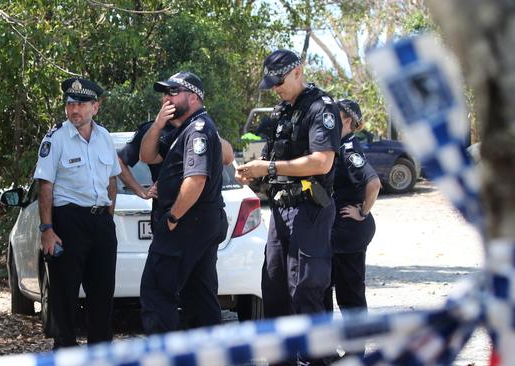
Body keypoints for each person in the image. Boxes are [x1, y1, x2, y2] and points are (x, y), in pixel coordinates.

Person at [236, 50, 341, 365]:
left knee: (305, 289)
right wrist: (252, 174)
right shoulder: (283, 112)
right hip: (280, 211)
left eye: (279, 81)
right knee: (275, 287)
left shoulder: (321, 108)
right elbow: (273, 160)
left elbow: (322, 162)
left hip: (310, 208)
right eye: (271, 83)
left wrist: (266, 167)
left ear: (298, 71)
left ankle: (317, 359)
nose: (276, 88)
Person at [33, 77, 121, 349]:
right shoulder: (55, 139)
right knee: (64, 299)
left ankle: (100, 354)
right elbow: (45, 185)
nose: (74, 110)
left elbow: (112, 180)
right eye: (70, 104)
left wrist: (108, 217)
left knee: (102, 297)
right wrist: (47, 230)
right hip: (68, 222)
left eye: (81, 104)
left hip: (100, 223)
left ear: (96, 106)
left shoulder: (105, 137)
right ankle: (66, 355)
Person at [138, 71, 228, 333]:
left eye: (172, 92)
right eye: (165, 94)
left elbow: (196, 180)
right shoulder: (184, 130)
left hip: (186, 224)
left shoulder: (198, 130)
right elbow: (147, 155)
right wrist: (156, 125)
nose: (166, 98)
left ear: (193, 97)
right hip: (197, 225)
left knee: (156, 293)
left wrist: (173, 217)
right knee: (200, 296)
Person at [328, 99, 381, 317]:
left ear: (347, 121)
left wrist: (363, 211)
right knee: (342, 292)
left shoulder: (349, 151)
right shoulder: (339, 147)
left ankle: (356, 350)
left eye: (334, 117)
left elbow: (374, 183)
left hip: (349, 232)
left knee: (350, 296)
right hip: (341, 231)